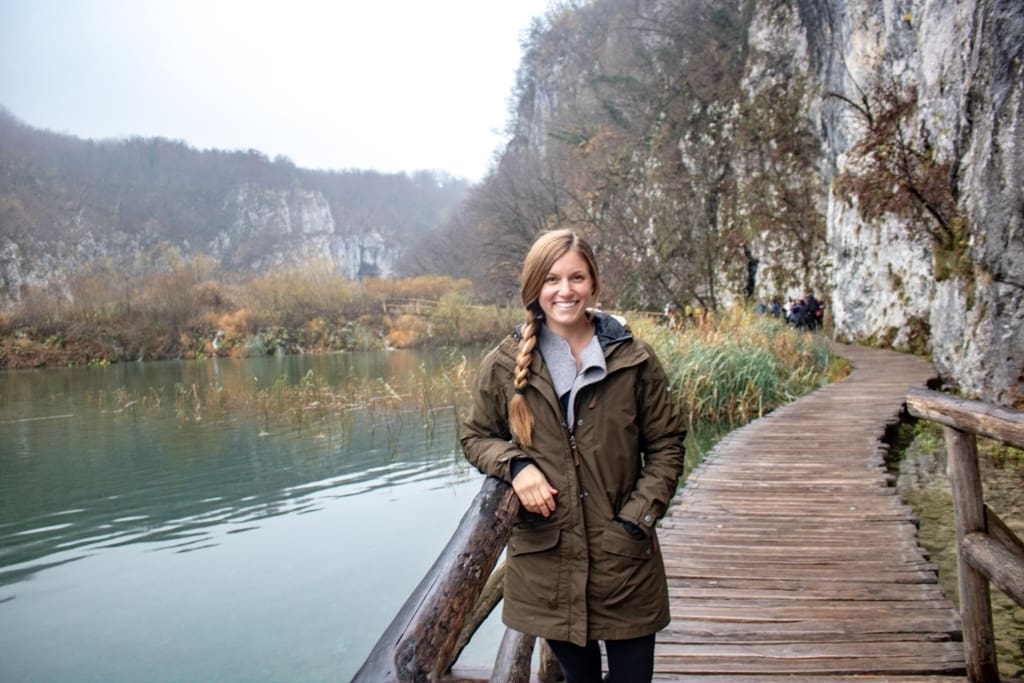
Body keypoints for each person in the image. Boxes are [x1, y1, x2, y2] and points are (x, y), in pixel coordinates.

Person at [460, 229, 687, 683]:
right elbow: (476, 436)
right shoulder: (504, 364)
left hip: (625, 558)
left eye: (576, 277)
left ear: (593, 283)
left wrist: (635, 520)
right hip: (549, 564)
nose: (565, 290)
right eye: (551, 279)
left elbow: (666, 444)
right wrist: (516, 466)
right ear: (534, 288)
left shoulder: (634, 359)